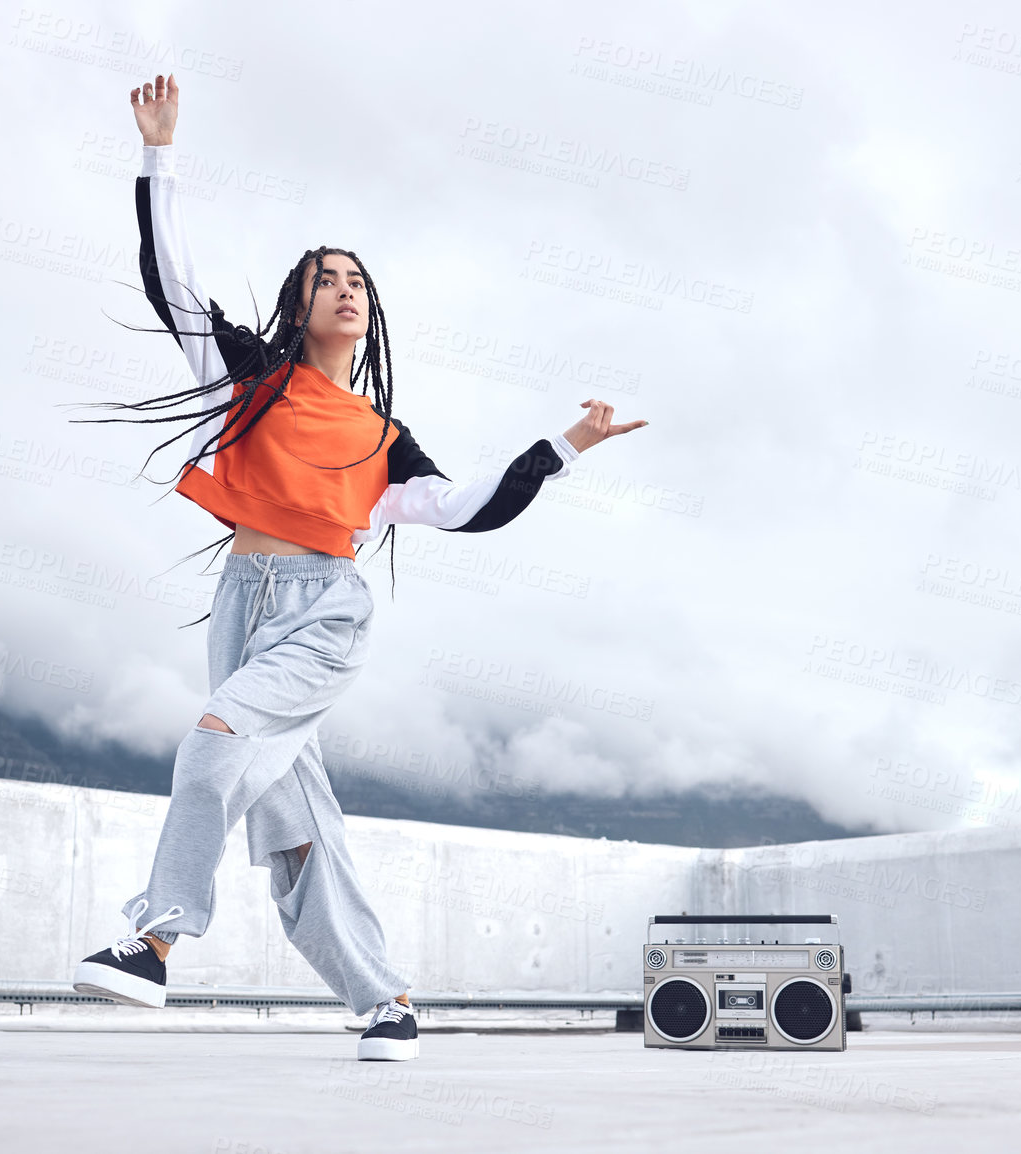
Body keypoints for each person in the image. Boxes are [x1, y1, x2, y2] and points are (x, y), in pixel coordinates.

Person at [71, 74, 645, 1061]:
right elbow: (168, 279)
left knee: (214, 742)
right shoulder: (244, 381)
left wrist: (563, 446)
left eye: (360, 281)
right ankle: (386, 1001)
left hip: (322, 613)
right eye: (329, 276)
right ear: (299, 301)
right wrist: (158, 152)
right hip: (241, 609)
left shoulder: (382, 437)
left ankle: (155, 937)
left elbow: (470, 509)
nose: (349, 288)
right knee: (300, 834)